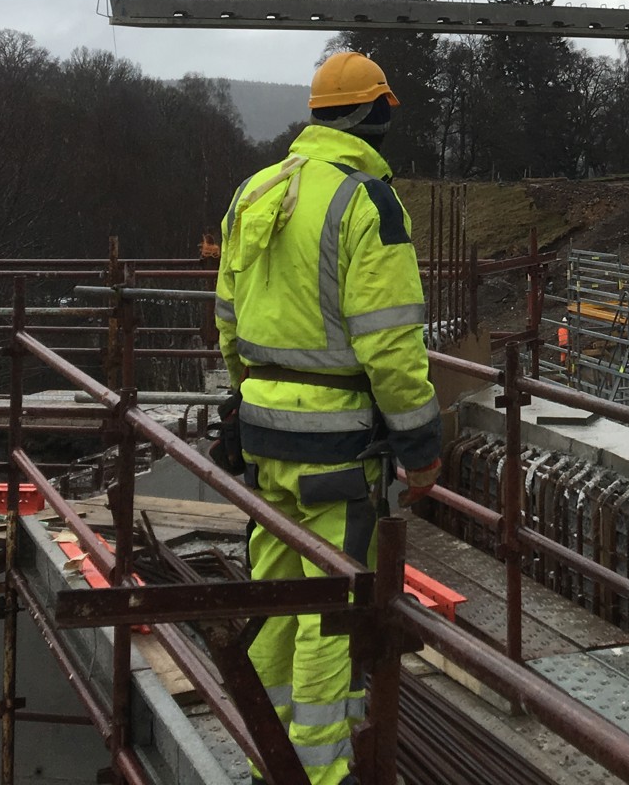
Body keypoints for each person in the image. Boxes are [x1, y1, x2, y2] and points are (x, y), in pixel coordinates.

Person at [214, 50, 441, 783]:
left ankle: (265, 752)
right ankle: (320, 773)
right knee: (334, 604)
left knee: (274, 591)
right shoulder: (366, 202)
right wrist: (421, 443)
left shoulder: (256, 190)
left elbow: (227, 316)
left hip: (263, 429)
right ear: (374, 117)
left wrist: (249, 393)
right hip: (335, 444)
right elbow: (391, 345)